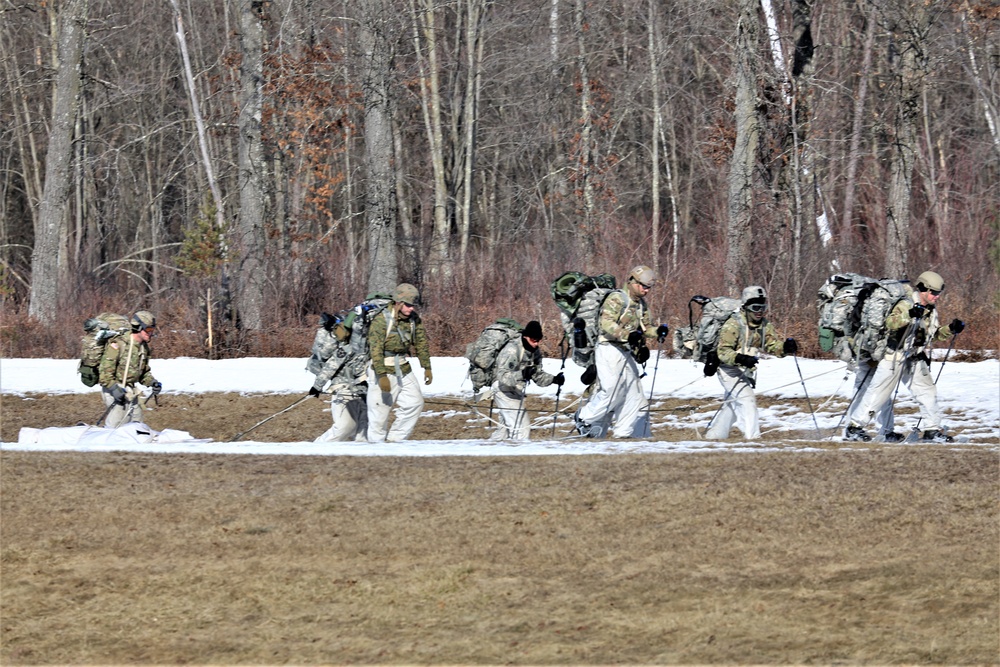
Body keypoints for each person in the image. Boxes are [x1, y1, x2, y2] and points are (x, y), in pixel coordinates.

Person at [845, 270, 965, 443]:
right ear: (923, 289)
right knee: (879, 392)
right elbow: (890, 323)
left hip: (914, 356)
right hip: (894, 355)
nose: (937, 296)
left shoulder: (930, 310)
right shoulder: (906, 304)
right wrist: (909, 315)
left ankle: (932, 429)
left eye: (939, 293)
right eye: (934, 292)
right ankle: (855, 427)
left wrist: (950, 329)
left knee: (927, 391)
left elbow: (931, 335)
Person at [573, 265, 669, 438]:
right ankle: (583, 417)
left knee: (634, 392)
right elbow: (606, 324)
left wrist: (658, 332)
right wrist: (627, 334)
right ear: (632, 281)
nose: (646, 290)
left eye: (649, 287)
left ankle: (623, 433)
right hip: (608, 347)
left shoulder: (641, 305)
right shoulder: (617, 298)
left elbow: (646, 327)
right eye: (643, 286)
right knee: (611, 390)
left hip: (624, 350)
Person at [704, 286, 796, 440]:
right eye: (755, 307)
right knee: (747, 399)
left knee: (732, 406)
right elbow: (723, 352)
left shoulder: (764, 325)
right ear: (746, 307)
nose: (759, 311)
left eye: (763, 307)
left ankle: (714, 437)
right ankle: (753, 439)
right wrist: (741, 358)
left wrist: (785, 348)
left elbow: (772, 345)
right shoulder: (733, 325)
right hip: (728, 369)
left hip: (745, 370)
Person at [366, 283, 432, 442]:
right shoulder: (381, 320)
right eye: (408, 305)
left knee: (415, 403)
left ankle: (396, 440)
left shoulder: (414, 320)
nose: (411, 309)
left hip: (403, 367)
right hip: (382, 366)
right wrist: (381, 375)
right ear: (399, 302)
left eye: (413, 306)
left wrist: (427, 367)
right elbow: (375, 349)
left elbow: (421, 343)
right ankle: (375, 448)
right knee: (379, 413)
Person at [490, 320, 565, 440]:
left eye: (539, 340)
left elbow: (537, 375)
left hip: (516, 391)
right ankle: (519, 456)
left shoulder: (535, 352)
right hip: (503, 389)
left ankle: (490, 452)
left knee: (503, 434)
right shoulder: (512, 350)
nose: (536, 344)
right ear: (526, 336)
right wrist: (522, 374)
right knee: (521, 429)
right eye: (534, 340)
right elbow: (502, 376)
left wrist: (554, 379)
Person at [98, 310, 162, 428]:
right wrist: (114, 389)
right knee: (118, 422)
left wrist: (153, 383)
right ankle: (108, 444)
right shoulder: (119, 343)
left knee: (136, 423)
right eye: (148, 330)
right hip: (114, 388)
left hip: (130, 391)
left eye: (152, 330)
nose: (151, 333)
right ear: (138, 327)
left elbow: (143, 373)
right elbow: (104, 373)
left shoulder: (144, 348)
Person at [311, 317, 369, 442]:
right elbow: (330, 367)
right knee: (344, 427)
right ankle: (318, 446)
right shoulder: (347, 349)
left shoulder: (369, 347)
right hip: (343, 389)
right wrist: (317, 386)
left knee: (363, 433)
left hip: (363, 391)